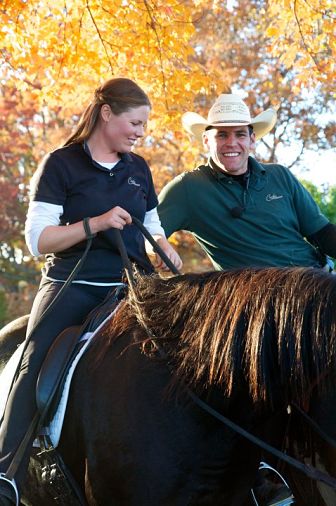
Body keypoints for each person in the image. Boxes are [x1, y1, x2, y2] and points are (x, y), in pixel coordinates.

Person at [0, 77, 182, 505]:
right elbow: (38, 240)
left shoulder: (139, 168)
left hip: (136, 287)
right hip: (72, 283)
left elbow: (153, 229)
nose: (141, 132)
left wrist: (168, 256)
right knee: (32, 357)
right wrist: (96, 224)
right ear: (106, 114)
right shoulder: (61, 164)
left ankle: (251, 472)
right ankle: (6, 471)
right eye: (135, 122)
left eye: (144, 125)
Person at [158, 93, 336, 271]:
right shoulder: (188, 188)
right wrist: (159, 247)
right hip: (259, 294)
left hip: (316, 278)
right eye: (222, 135)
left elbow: (321, 233)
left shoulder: (280, 175)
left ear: (252, 140)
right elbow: (146, 231)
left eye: (240, 134)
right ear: (206, 140)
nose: (231, 143)